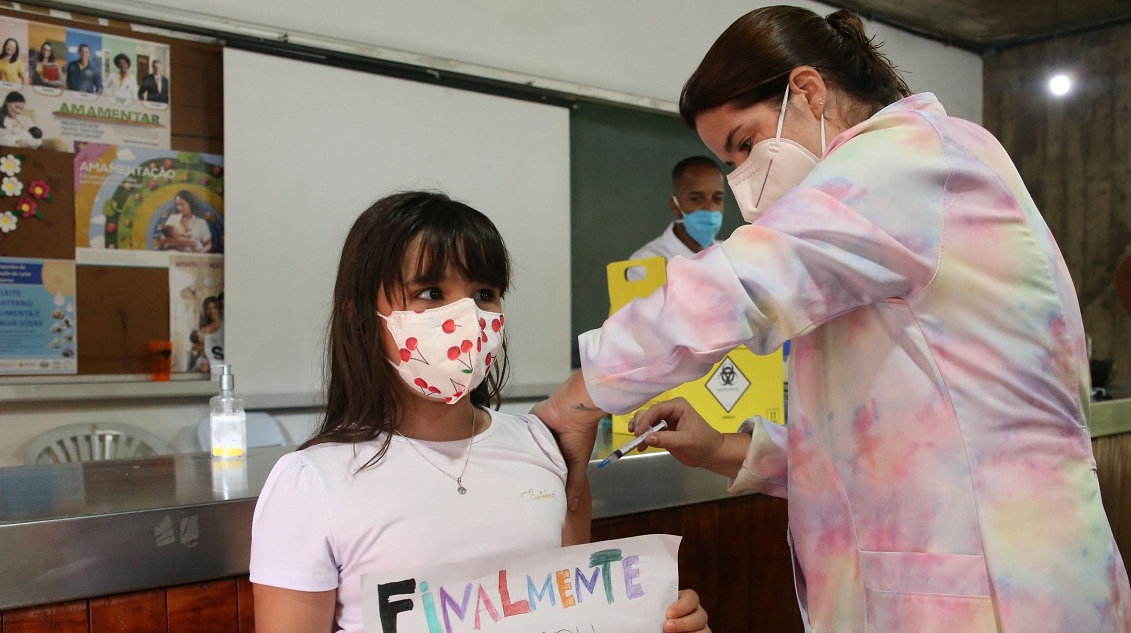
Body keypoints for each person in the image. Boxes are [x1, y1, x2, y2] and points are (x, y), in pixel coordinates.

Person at [535, 6, 1131, 632]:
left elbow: (737, 288)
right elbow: (887, 448)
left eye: (744, 144)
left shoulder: (910, 157)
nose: (741, 182)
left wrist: (581, 396)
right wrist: (726, 450)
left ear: (809, 91)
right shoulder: (881, 213)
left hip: (1001, 592)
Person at [250, 191, 709, 633]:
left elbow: (580, 615)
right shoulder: (310, 483)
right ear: (357, 316)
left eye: (484, 293)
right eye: (431, 292)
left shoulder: (548, 453)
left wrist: (655, 620)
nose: (466, 316)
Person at [630, 156, 726, 262]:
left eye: (717, 199)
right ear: (675, 206)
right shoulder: (645, 262)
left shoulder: (732, 255)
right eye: (696, 199)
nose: (710, 207)